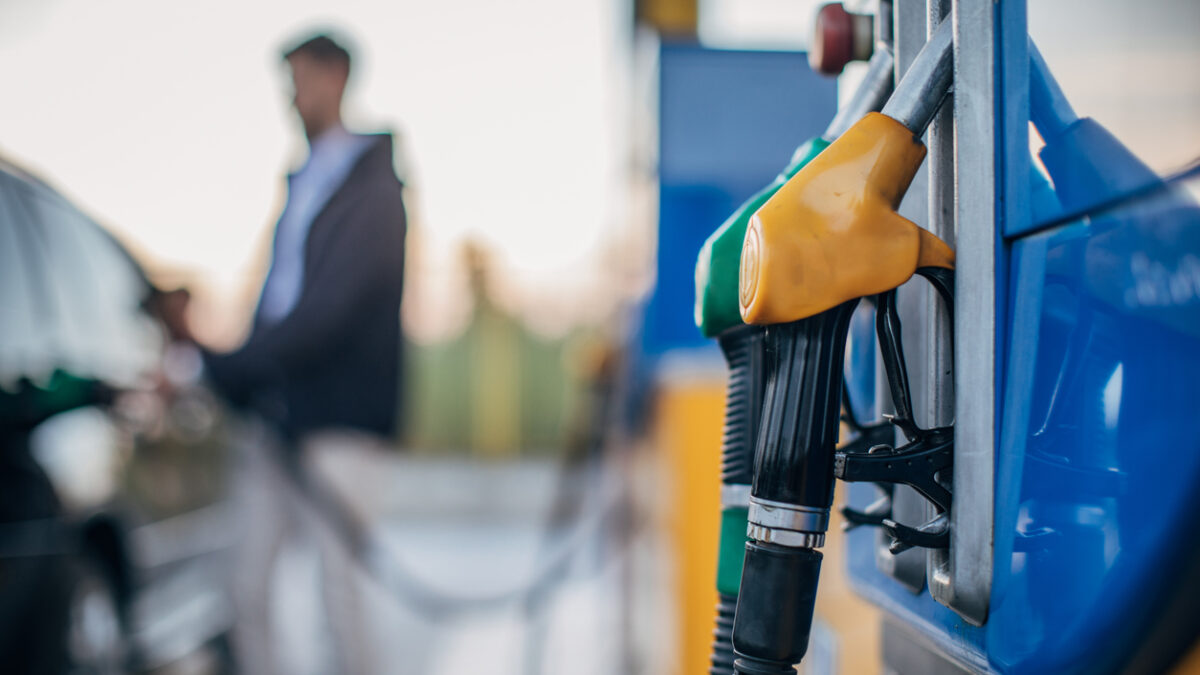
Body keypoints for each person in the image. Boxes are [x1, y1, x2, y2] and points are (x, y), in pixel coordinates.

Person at [163, 32, 407, 674]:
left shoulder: (375, 191)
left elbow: (326, 312)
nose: (291, 101)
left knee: (340, 599)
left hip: (342, 423)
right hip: (277, 417)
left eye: (298, 83)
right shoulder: (301, 182)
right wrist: (226, 366)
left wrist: (226, 363)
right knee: (242, 586)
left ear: (335, 79)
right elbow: (278, 301)